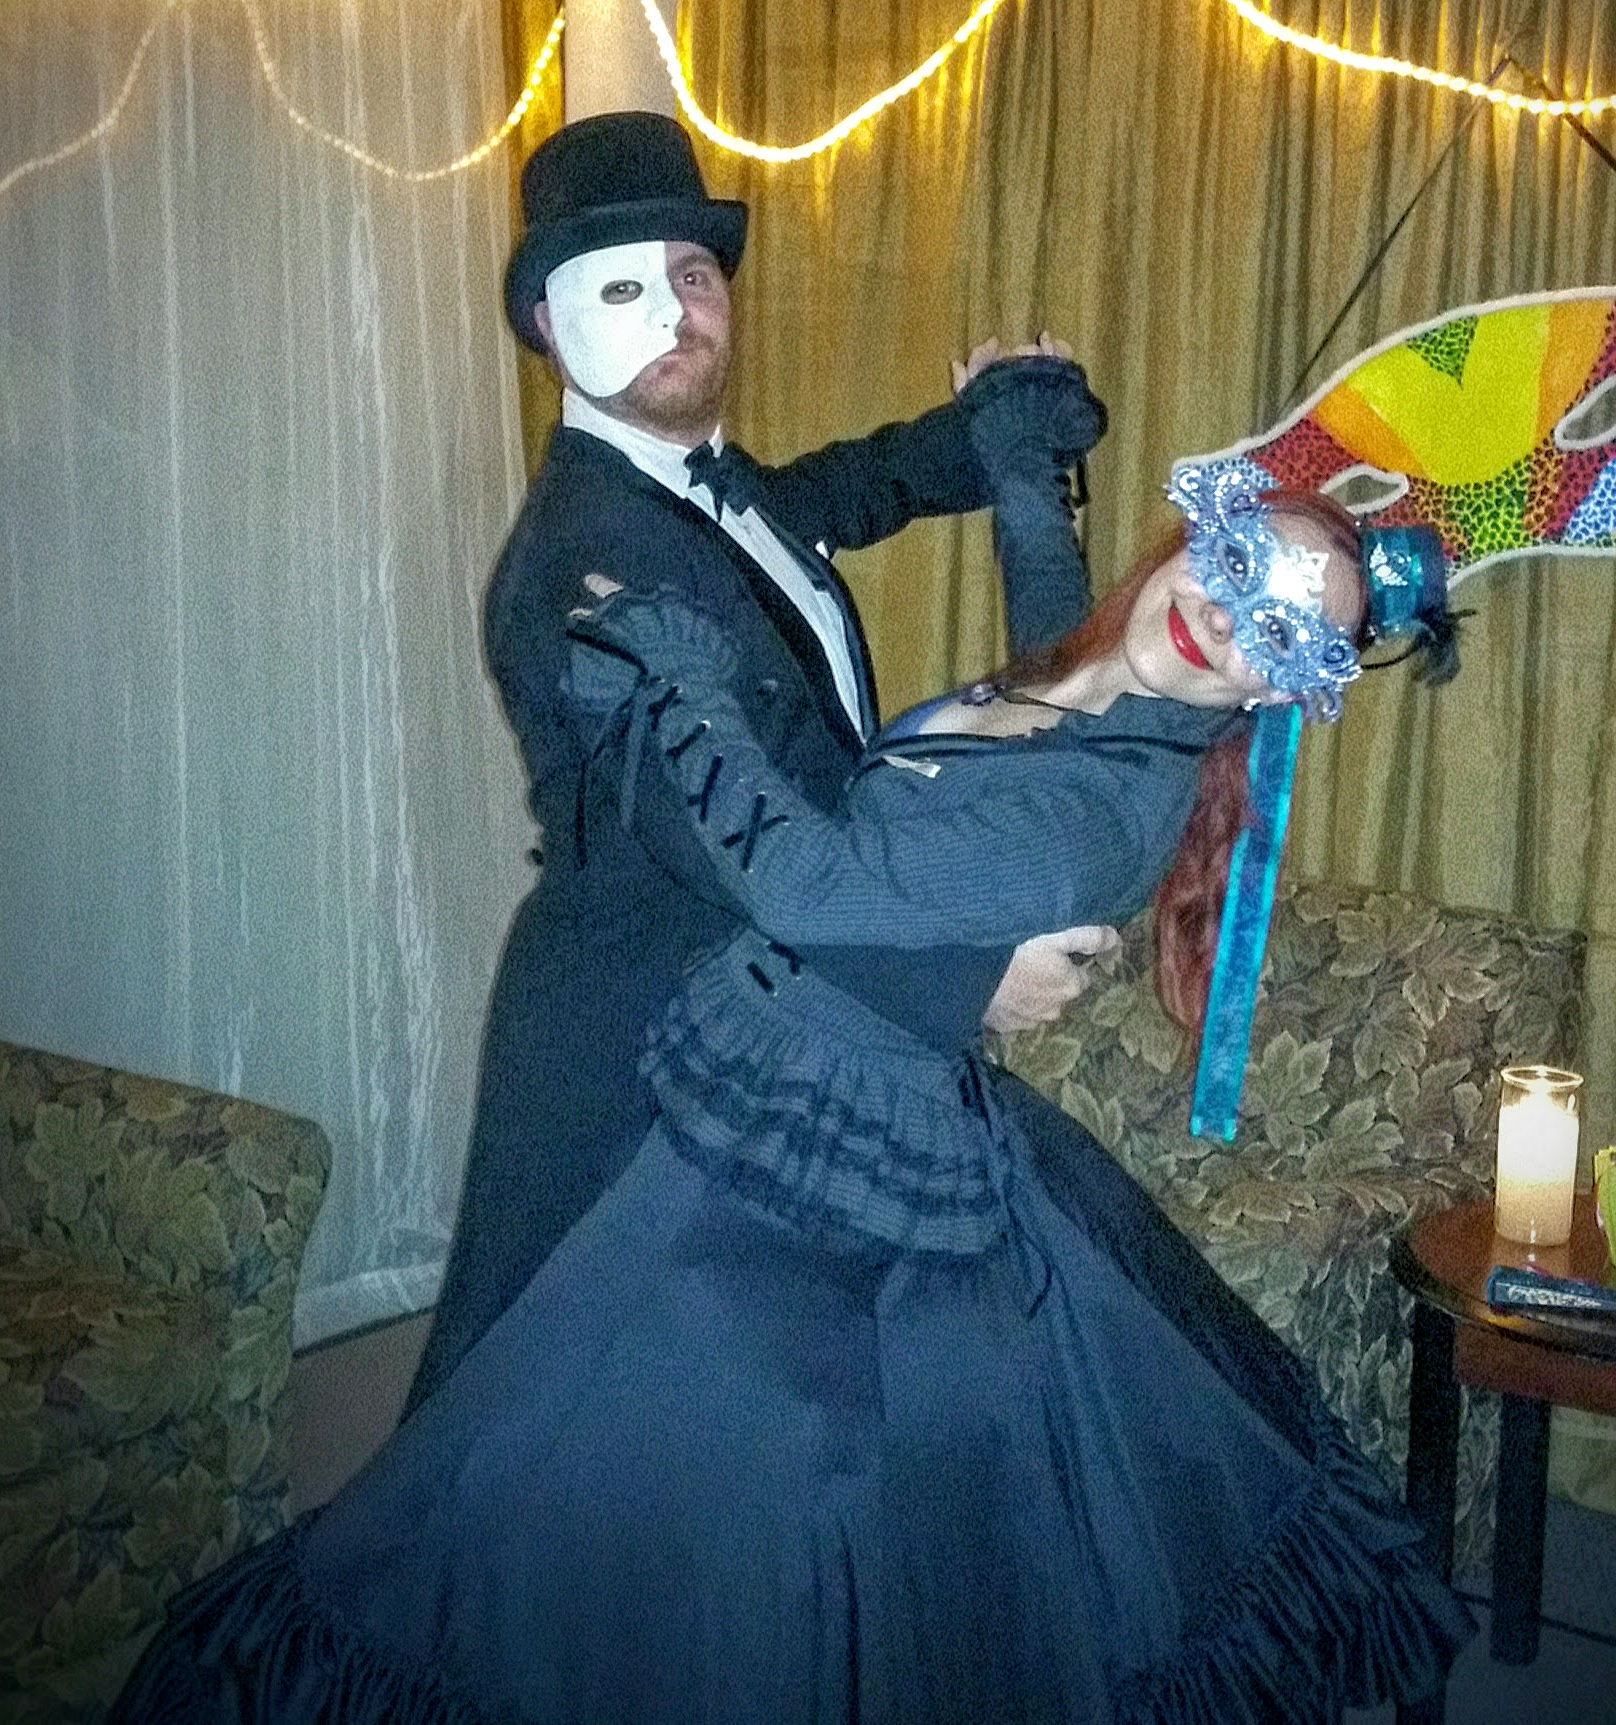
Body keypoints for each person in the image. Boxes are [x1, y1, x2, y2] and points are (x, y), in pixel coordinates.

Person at [110, 454, 1474, 1722]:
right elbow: (1059, 653)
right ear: (1194, 535)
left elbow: (810, 885)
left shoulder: (1100, 812)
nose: (1224, 619)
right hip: (789, 1078)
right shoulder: (1095, 682)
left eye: (1278, 632)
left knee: (642, 1488)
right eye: (1236, 563)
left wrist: (682, 672)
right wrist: (1018, 470)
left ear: (1281, 695)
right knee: (615, 1460)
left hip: (835, 1159)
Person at [406, 111, 1111, 1413]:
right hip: (648, 1050)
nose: (679, 308)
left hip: (778, 1011)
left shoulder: (718, 490)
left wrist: (996, 424)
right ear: (550, 326)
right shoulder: (583, 567)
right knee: (640, 1443)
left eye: (695, 272)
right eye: (625, 283)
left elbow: (861, 484)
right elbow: (741, 838)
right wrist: (961, 971)